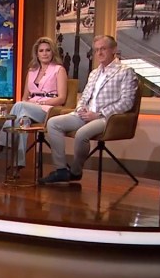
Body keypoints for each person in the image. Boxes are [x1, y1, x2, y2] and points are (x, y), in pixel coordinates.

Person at [39, 35, 137, 184]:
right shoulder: (94, 73)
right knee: (53, 123)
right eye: (96, 50)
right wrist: (81, 109)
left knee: (82, 134)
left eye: (103, 49)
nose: (99, 53)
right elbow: (84, 97)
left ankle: (75, 171)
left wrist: (98, 114)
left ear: (113, 50)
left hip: (107, 118)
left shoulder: (125, 71)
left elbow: (127, 102)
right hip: (85, 114)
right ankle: (61, 170)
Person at [0, 37, 68, 175]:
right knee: (22, 120)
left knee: (20, 106)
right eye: (41, 51)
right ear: (37, 53)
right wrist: (29, 103)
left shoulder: (58, 70)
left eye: (48, 50)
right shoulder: (32, 71)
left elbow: (61, 98)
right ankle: (17, 165)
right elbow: (25, 97)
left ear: (53, 52)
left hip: (48, 110)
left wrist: (40, 102)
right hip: (29, 108)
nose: (44, 53)